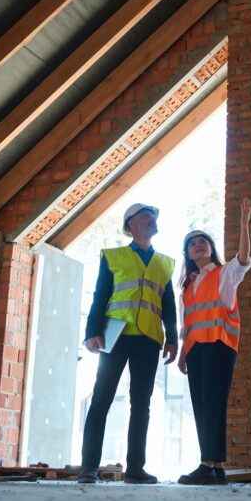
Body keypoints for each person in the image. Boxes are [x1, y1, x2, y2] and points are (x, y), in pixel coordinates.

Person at [78, 203, 178, 484]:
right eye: (146, 216)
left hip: (148, 339)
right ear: (130, 224)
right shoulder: (114, 257)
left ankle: (135, 469)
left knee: (141, 405)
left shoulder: (165, 263)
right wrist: (91, 332)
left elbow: (168, 305)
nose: (152, 220)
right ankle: (88, 469)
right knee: (101, 400)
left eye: (154, 217)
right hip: (116, 336)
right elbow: (101, 295)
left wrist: (172, 339)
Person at [176, 198, 251, 485]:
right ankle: (217, 467)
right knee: (201, 405)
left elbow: (243, 259)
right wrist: (184, 355)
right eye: (193, 243)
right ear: (187, 253)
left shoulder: (224, 274)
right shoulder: (188, 286)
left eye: (203, 241)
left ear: (211, 249)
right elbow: (189, 325)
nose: (198, 244)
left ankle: (206, 465)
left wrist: (244, 226)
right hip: (196, 351)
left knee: (213, 404)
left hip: (219, 346)